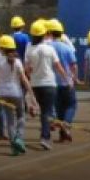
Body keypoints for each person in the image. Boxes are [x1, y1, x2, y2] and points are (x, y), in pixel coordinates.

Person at [24, 20, 69, 150]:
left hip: (35, 84)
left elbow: (26, 69)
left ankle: (34, 110)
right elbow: (58, 66)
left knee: (43, 111)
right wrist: (66, 78)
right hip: (49, 84)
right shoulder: (50, 49)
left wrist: (30, 73)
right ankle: (45, 137)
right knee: (47, 112)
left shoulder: (29, 49)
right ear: (44, 34)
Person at [0, 35, 34, 156]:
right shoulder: (18, 61)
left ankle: (14, 146)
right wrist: (31, 95)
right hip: (17, 93)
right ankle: (19, 138)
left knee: (9, 120)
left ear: (2, 49)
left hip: (3, 94)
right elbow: (24, 80)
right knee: (21, 117)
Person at [48, 19, 79, 143]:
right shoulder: (66, 48)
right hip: (66, 82)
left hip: (52, 83)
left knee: (59, 108)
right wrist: (74, 77)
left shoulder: (47, 47)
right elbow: (74, 65)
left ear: (50, 32)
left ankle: (62, 134)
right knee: (71, 105)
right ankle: (66, 125)